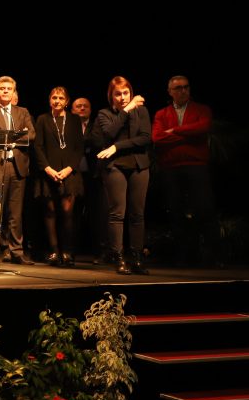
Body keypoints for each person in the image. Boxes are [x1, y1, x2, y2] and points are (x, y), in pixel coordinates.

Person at [152, 75, 218, 266]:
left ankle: (211, 257)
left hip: (197, 166)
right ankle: (184, 257)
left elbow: (203, 128)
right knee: (176, 212)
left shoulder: (202, 109)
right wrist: (188, 135)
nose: (183, 91)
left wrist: (174, 131)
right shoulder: (161, 114)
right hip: (171, 168)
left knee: (205, 210)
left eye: (186, 87)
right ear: (170, 91)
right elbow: (157, 138)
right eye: (178, 88)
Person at [96, 76, 152, 275]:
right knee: (117, 213)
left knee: (137, 214)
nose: (122, 97)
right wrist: (126, 111)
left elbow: (145, 138)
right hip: (115, 166)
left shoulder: (142, 111)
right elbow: (109, 133)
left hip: (138, 165)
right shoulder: (105, 114)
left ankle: (137, 257)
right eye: (118, 94)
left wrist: (117, 147)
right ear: (111, 95)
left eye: (126, 93)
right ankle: (118, 257)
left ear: (131, 92)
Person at [0, 76, 35, 265]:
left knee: (16, 213)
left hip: (17, 166)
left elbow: (31, 133)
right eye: (2, 88)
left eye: (9, 89)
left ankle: (16, 251)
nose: (5, 91)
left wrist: (13, 140)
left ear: (14, 92)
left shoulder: (22, 112)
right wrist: (6, 139)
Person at [34, 86, 85, 266]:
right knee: (50, 212)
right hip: (48, 172)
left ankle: (68, 252)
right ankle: (54, 251)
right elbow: (38, 146)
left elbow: (79, 148)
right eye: (54, 97)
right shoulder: (42, 119)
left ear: (67, 101)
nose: (57, 101)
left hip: (69, 172)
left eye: (61, 98)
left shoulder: (74, 120)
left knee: (67, 212)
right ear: (50, 100)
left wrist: (70, 168)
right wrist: (47, 168)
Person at [72, 97, 108, 263]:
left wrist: (80, 143)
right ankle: (70, 251)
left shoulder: (97, 124)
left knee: (97, 215)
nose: (82, 108)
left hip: (94, 175)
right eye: (78, 106)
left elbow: (97, 141)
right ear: (72, 110)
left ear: (91, 109)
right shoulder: (67, 125)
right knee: (73, 215)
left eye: (85, 106)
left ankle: (99, 252)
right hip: (73, 174)